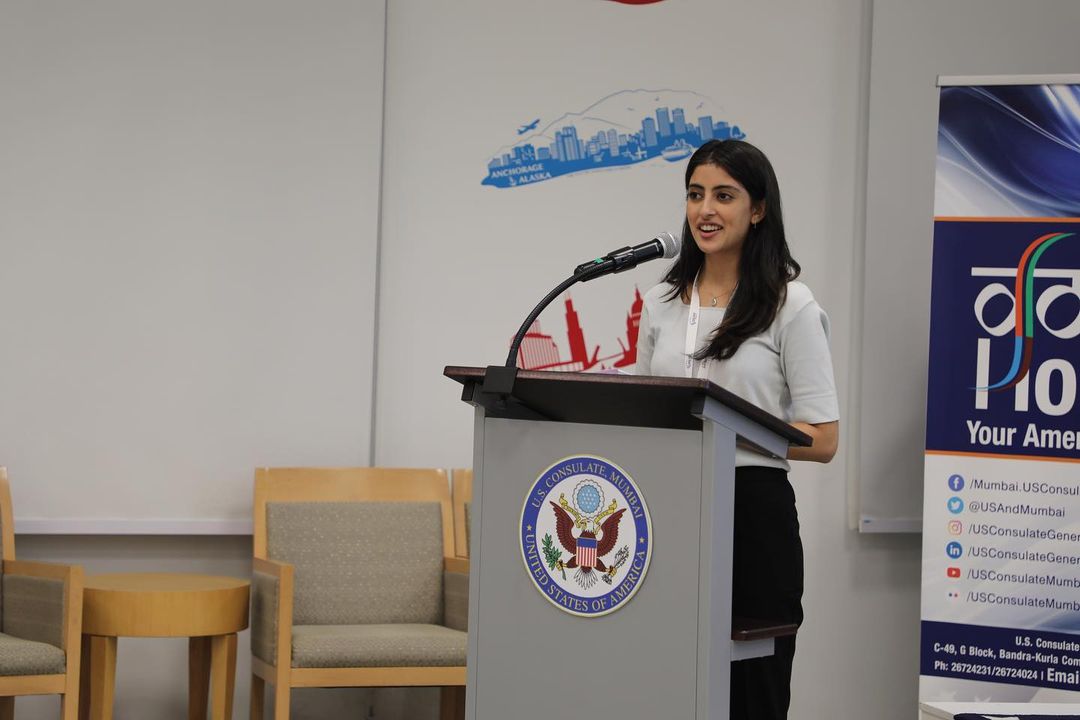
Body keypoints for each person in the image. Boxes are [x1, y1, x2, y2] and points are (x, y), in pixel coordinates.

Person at [635, 139, 839, 720]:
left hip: (751, 510)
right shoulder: (660, 302)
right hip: (668, 511)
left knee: (752, 695)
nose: (705, 210)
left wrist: (725, 427)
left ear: (758, 209)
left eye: (724, 196)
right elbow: (643, 412)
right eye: (695, 194)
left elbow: (823, 439)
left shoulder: (789, 305)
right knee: (666, 686)